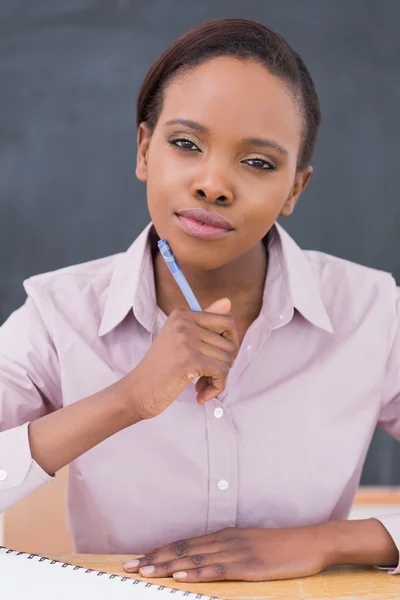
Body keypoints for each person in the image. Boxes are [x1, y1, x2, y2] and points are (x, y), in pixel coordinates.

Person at [0, 17, 399, 584]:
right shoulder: (57, 313)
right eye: (186, 144)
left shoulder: (372, 311)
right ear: (144, 150)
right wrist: (130, 397)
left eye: (258, 162)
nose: (213, 184)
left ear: (295, 189)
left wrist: (330, 541)